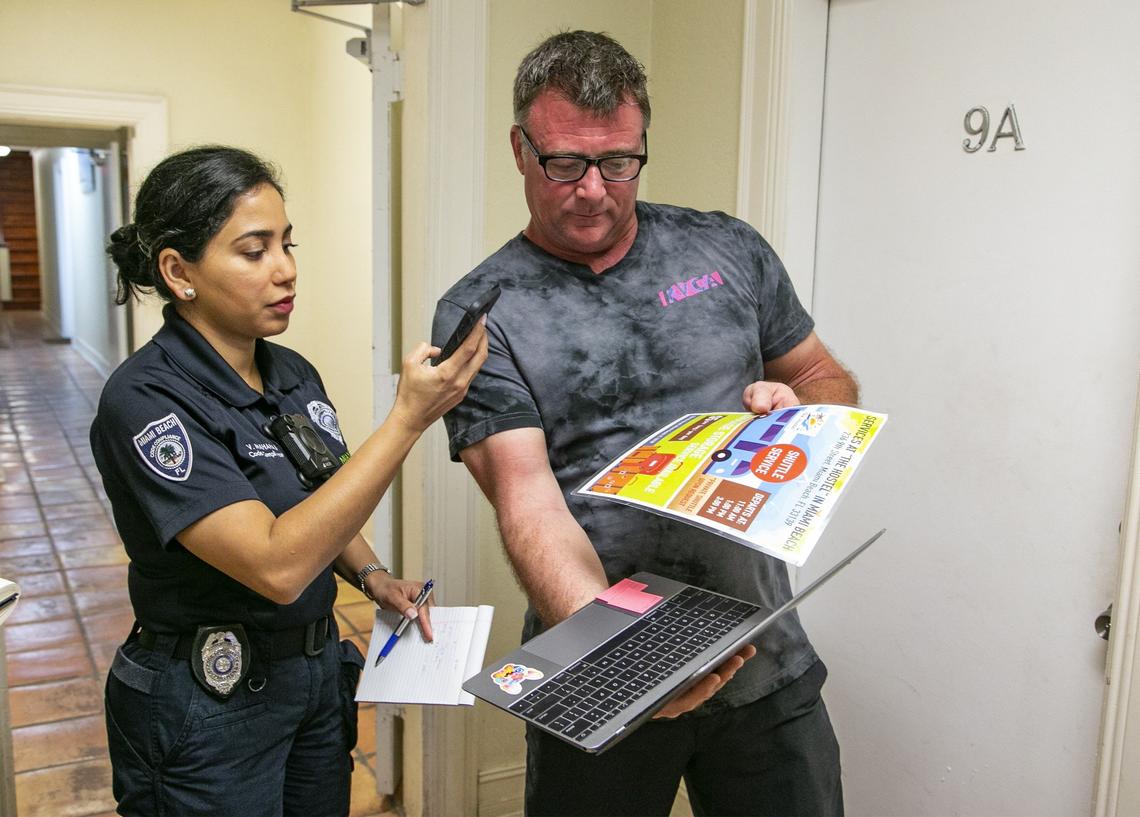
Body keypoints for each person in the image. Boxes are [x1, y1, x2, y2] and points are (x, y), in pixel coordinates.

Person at [432, 31, 858, 817]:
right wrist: (625, 661)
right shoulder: (483, 313)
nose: (594, 190)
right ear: (520, 150)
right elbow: (528, 502)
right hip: (599, 668)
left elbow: (822, 376)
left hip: (765, 658)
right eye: (565, 163)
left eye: (620, 161)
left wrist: (802, 416)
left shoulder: (728, 248)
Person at [91, 145, 487, 817]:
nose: (285, 269)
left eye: (287, 243)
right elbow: (276, 565)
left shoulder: (292, 373)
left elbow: (319, 500)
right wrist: (407, 419)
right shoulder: (146, 399)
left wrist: (371, 575)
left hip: (311, 675)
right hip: (209, 701)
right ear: (178, 272)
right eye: (254, 251)